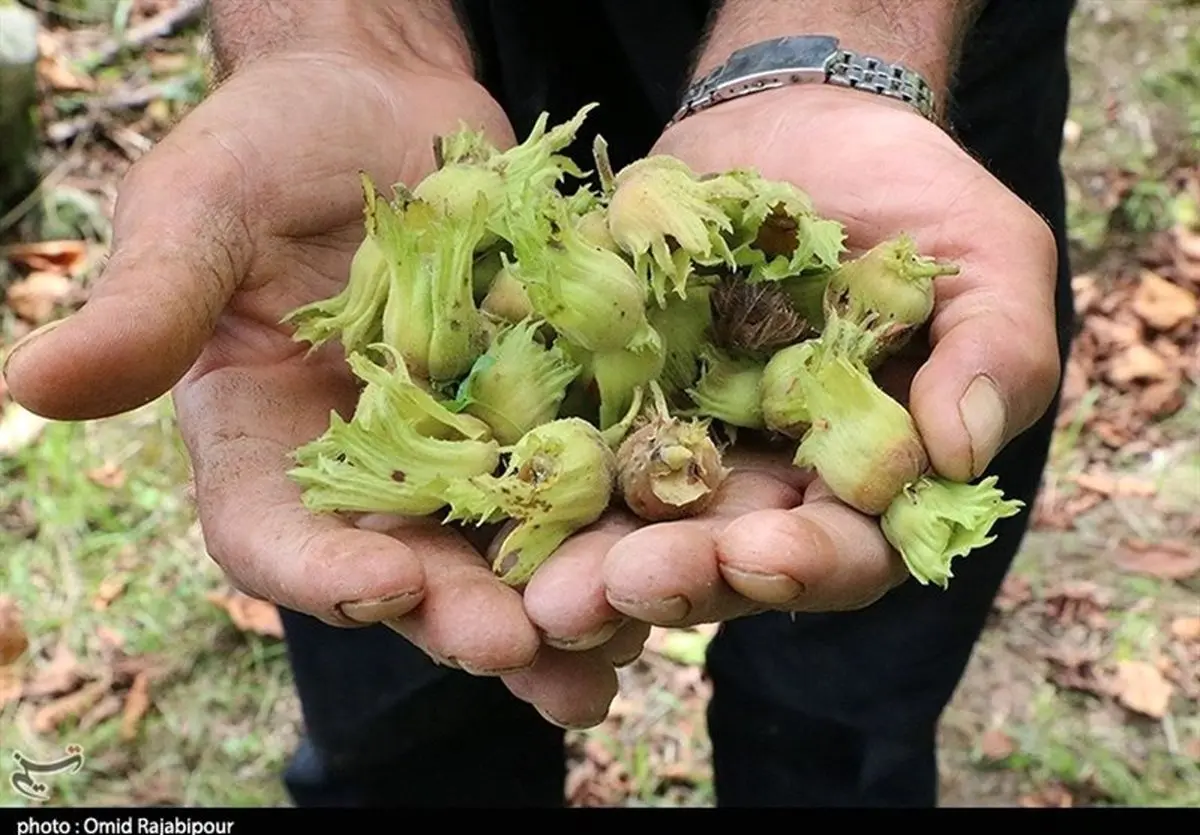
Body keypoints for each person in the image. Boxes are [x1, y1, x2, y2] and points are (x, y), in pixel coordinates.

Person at [2, 0, 1078, 808]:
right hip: (429, 71)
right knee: (404, 660)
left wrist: (833, 42)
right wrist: (330, 38)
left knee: (843, 696)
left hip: (871, 67)